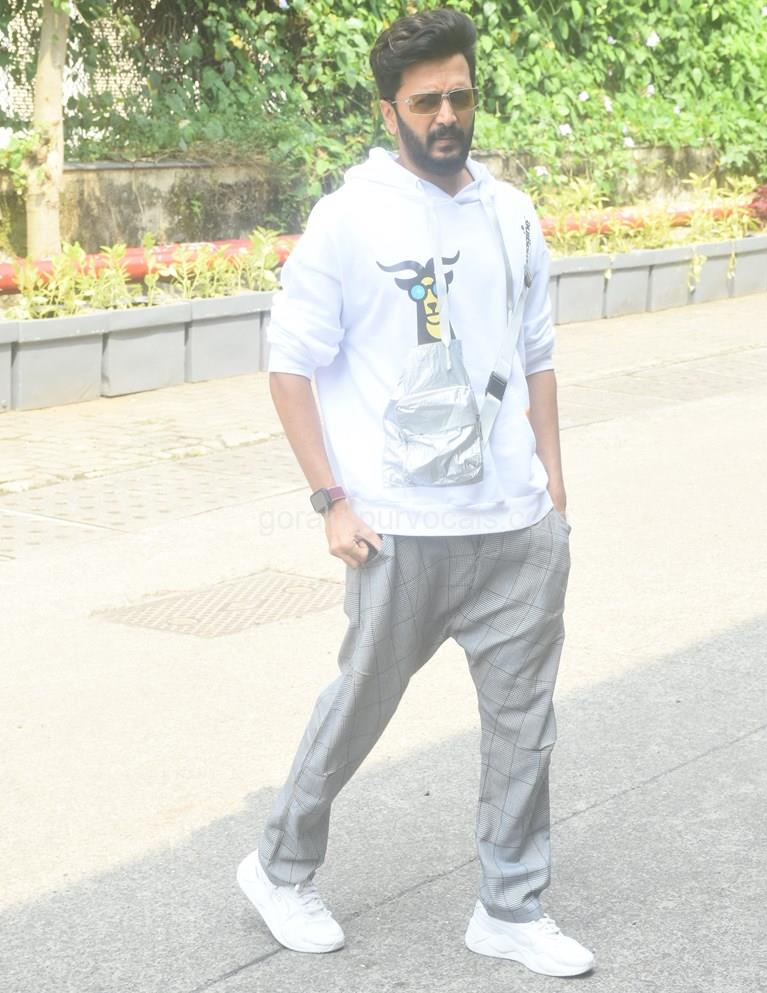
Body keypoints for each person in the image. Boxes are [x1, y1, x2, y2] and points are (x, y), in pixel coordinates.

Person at [237, 7, 595, 979]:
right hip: (397, 528)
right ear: (388, 108)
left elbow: (536, 355)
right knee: (358, 708)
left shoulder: (513, 213)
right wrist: (331, 501)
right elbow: (289, 365)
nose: (447, 116)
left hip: (516, 524)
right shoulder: (350, 217)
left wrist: (553, 489)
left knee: (524, 725)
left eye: (460, 96)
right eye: (426, 100)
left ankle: (510, 906)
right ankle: (278, 867)